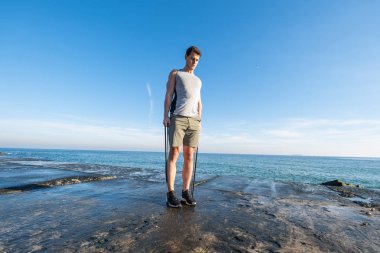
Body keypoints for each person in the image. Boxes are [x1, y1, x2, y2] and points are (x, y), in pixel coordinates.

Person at [163, 46, 202, 208]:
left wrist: (200, 118)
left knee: (189, 156)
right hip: (178, 118)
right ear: (186, 57)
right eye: (192, 58)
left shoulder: (199, 80)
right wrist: (165, 115)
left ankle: (185, 192)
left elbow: (199, 100)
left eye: (197, 60)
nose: (194, 62)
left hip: (194, 121)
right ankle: (170, 193)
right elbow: (168, 95)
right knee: (174, 153)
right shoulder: (176, 73)